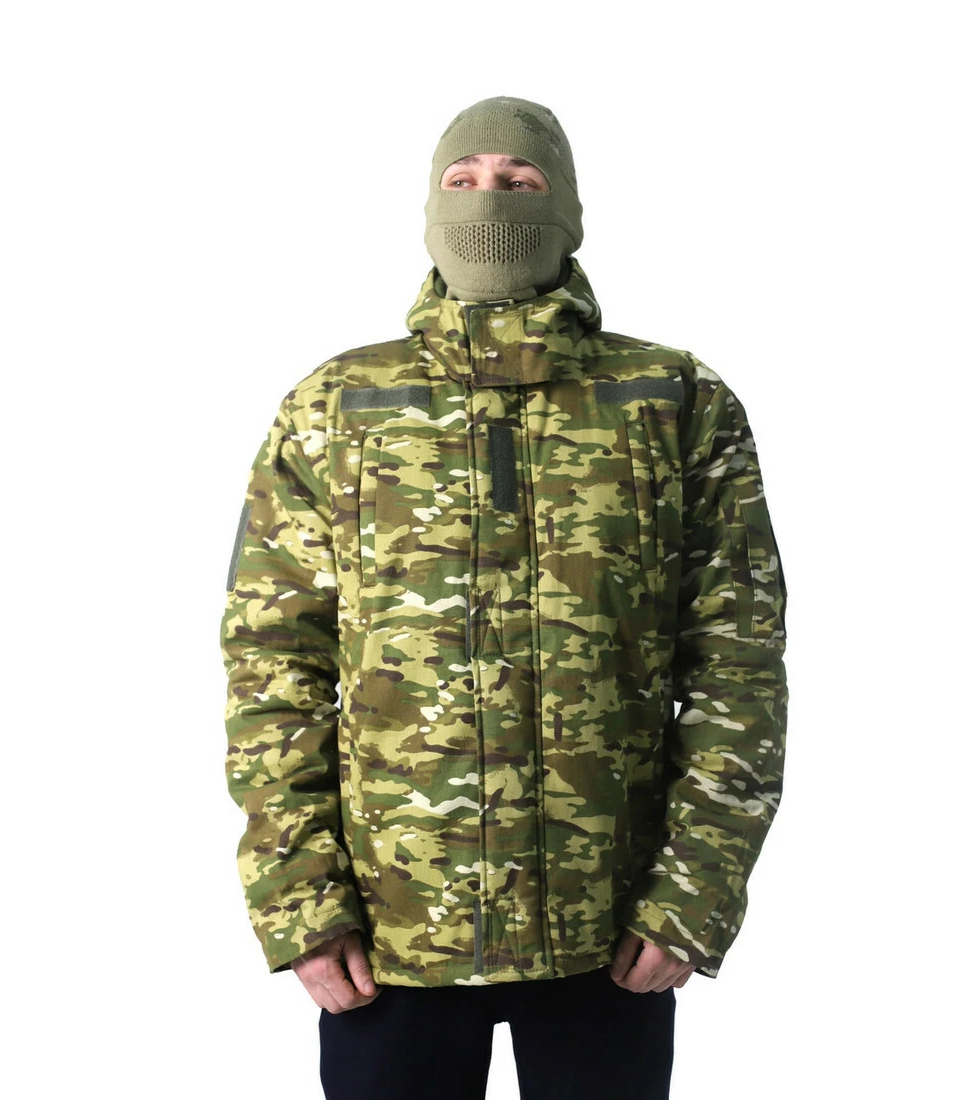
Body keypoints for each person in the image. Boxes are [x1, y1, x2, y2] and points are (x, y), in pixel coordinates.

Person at [219, 95, 788, 1100]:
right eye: (464, 179)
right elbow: (274, 665)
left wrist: (692, 892)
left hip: (610, 932)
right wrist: (298, 899)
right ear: (429, 207)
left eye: (520, 181)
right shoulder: (337, 405)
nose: (489, 200)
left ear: (566, 211)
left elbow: (736, 662)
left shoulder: (673, 400)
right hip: (391, 935)